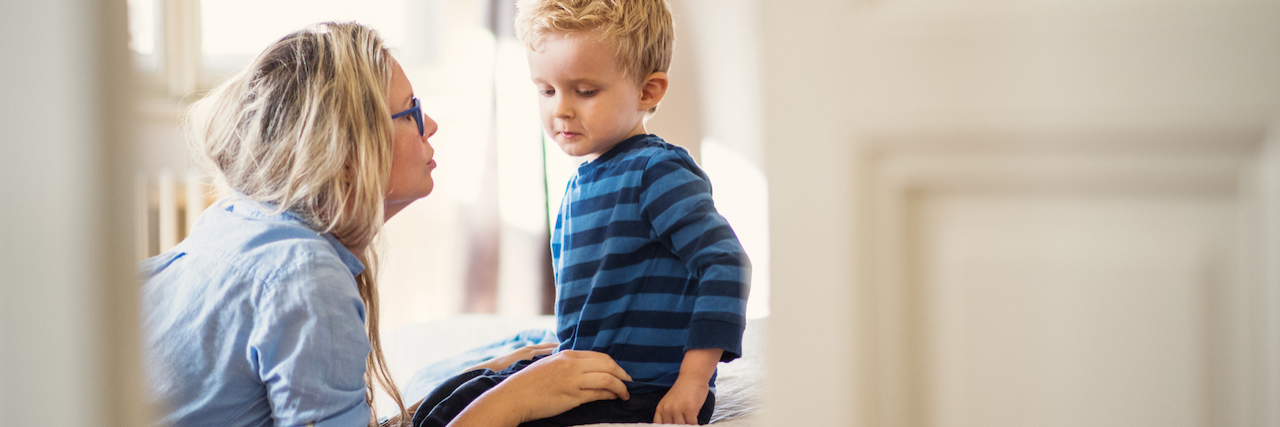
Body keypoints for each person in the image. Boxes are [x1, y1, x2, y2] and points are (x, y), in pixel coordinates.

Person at [138, 21, 633, 427]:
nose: (431, 125)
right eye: (411, 111)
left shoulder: (233, 223)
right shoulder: (304, 274)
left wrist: (478, 381)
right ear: (348, 153)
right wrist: (518, 400)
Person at [410, 1, 751, 425]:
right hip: (588, 376)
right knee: (447, 401)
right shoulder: (581, 182)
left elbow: (725, 263)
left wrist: (693, 381)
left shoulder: (656, 171)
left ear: (648, 92)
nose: (561, 110)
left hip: (640, 389)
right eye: (547, 90)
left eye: (584, 91)